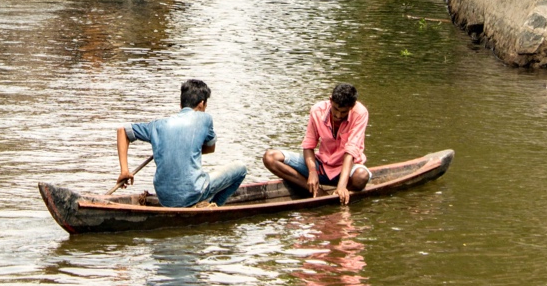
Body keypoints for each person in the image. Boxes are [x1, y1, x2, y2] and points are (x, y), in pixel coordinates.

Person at [117, 79, 247, 208]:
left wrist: (124, 170)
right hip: (193, 192)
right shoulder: (205, 118)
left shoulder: (157, 125)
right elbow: (210, 148)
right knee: (241, 169)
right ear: (202, 105)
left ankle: (201, 203)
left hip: (164, 198)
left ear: (181, 105)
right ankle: (213, 207)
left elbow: (123, 130)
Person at [263, 82, 370, 205]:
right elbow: (308, 145)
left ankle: (340, 196)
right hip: (322, 165)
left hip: (347, 168)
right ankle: (318, 192)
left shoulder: (360, 113)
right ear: (330, 100)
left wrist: (341, 186)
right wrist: (312, 172)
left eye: (343, 112)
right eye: (335, 109)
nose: (338, 115)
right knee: (270, 157)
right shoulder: (317, 110)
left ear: (351, 107)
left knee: (361, 177)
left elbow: (351, 151)